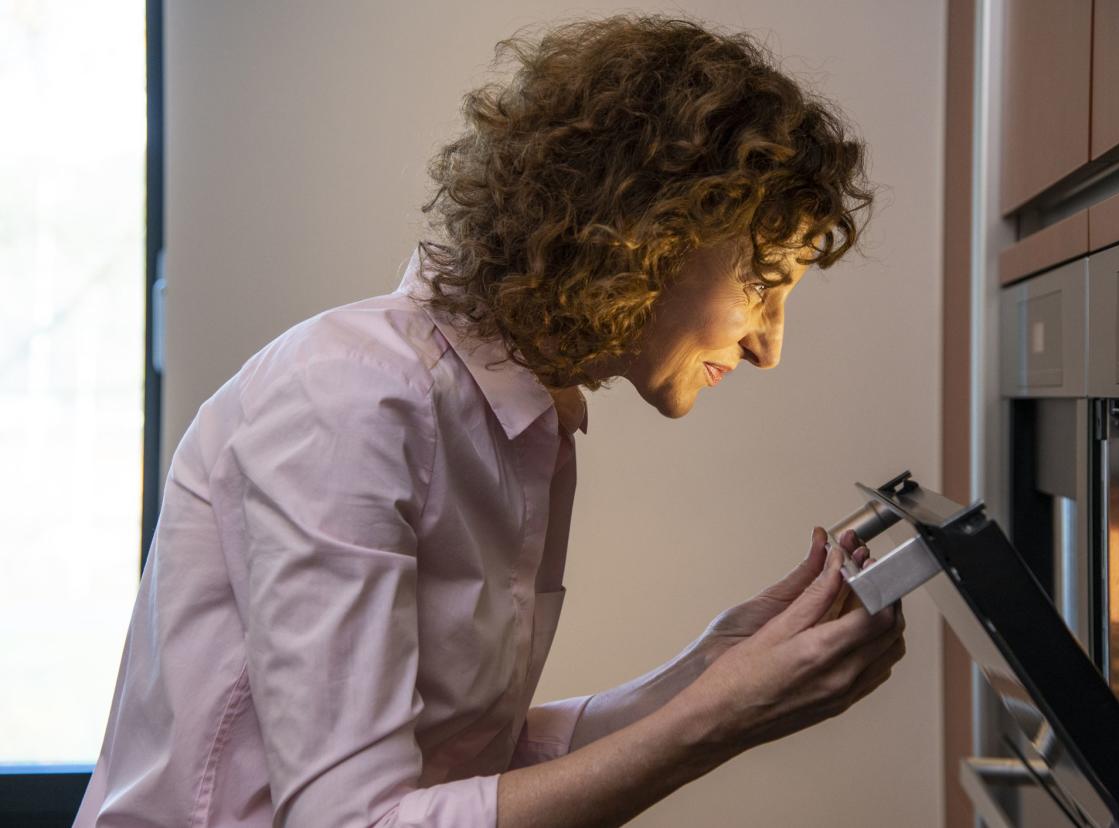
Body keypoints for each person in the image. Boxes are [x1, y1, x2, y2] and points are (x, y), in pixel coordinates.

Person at [74, 13, 905, 828]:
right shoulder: (348, 399)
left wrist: (713, 669)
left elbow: (467, 766)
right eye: (763, 285)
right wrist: (715, 720)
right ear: (651, 234)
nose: (770, 347)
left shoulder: (526, 421)